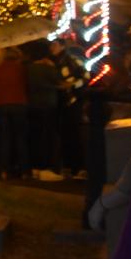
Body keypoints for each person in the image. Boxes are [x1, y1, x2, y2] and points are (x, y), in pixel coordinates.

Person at [0, 47, 28, 180]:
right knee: (20, 138)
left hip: (1, 105)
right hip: (19, 105)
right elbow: (27, 86)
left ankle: (4, 169)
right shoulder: (22, 70)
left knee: (4, 138)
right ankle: (24, 170)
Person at [26, 40, 64, 181]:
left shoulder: (29, 68)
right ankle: (45, 168)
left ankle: (34, 167)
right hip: (48, 106)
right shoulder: (49, 68)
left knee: (34, 136)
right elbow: (61, 83)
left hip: (32, 105)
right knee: (46, 137)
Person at [50, 38, 87, 178]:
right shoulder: (55, 62)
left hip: (72, 101)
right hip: (62, 102)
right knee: (65, 134)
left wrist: (71, 85)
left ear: (62, 46)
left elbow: (85, 77)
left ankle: (78, 167)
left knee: (73, 134)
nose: (51, 48)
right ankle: (69, 166)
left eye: (54, 45)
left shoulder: (70, 61)